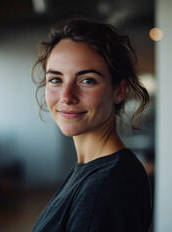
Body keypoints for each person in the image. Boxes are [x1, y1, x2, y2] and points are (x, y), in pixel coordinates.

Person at [31, 16, 152, 232]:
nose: (67, 96)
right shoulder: (92, 170)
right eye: (56, 79)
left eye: (87, 80)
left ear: (119, 90)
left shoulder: (106, 187)